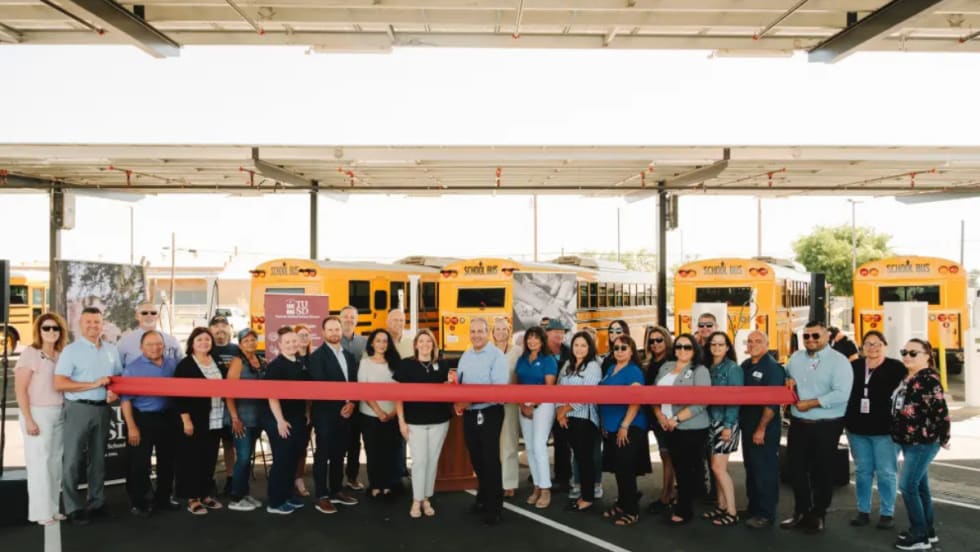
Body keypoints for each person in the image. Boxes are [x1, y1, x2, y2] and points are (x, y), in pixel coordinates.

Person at [781, 320, 854, 535]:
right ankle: (801, 511)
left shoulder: (839, 361)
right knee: (796, 469)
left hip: (827, 425)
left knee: (822, 471)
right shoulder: (795, 358)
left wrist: (811, 403)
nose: (810, 340)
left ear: (827, 336)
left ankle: (818, 514)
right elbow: (786, 376)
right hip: (798, 424)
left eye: (815, 336)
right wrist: (787, 380)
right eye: (806, 336)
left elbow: (842, 394)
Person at [54, 307, 123, 526]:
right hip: (78, 409)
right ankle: (73, 507)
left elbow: (118, 379)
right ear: (80, 324)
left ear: (103, 324)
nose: (93, 326)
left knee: (98, 459)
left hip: (103, 409)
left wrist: (115, 392)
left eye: (97, 322)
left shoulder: (112, 350)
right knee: (73, 460)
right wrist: (92, 384)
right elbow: (60, 383)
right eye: (88, 322)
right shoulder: (71, 351)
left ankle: (97, 502)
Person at [891, 339, 950, 551]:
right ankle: (927, 531)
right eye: (904, 351)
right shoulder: (909, 377)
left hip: (922, 442)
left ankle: (918, 534)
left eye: (913, 353)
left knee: (907, 486)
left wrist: (942, 437)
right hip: (909, 441)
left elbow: (941, 412)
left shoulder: (928, 380)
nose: (907, 356)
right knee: (920, 487)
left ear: (927, 355)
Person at [844, 330, 905, 529]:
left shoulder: (896, 367)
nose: (873, 348)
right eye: (868, 344)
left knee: (887, 472)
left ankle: (887, 513)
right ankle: (863, 511)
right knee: (863, 472)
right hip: (857, 430)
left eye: (877, 343)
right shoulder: (853, 367)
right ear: (862, 347)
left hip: (885, 431)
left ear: (885, 345)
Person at [453, 317, 509, 526]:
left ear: (488, 333)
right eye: (473, 331)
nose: (476, 335)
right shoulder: (466, 355)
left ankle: (495, 507)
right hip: (469, 413)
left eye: (480, 331)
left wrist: (468, 400)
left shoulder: (497, 356)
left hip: (490, 412)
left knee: (490, 459)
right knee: (476, 458)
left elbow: (498, 390)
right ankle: (483, 498)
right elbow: (459, 383)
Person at [652, 333, 711, 526]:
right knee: (678, 466)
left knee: (687, 470)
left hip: (690, 427)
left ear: (694, 350)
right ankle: (679, 501)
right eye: (679, 346)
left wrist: (676, 419)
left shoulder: (700, 370)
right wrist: (661, 416)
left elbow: (702, 401)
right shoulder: (666, 367)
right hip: (667, 426)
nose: (682, 350)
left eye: (687, 347)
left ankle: (685, 510)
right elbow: (653, 394)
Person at [15, 313, 68, 525]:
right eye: (46, 328)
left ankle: (53, 508)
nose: (51, 332)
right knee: (39, 464)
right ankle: (39, 513)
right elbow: (20, 389)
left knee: (55, 463)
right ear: (39, 330)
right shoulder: (31, 353)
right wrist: (29, 419)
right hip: (37, 413)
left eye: (55, 328)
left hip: (59, 412)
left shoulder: (60, 353)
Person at [394, 329, 452, 518]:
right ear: (416, 344)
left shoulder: (443, 365)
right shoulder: (406, 365)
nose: (425, 345)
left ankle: (427, 497)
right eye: (422, 341)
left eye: (429, 341)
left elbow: (450, 390)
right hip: (414, 421)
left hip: (439, 421)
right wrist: (401, 422)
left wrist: (451, 384)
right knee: (419, 461)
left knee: (432, 461)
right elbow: (398, 396)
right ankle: (416, 500)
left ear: (433, 345)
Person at [120, 331, 179, 517]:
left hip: (167, 418)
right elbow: (125, 400)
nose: (155, 348)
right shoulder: (132, 369)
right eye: (150, 344)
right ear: (141, 347)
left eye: (159, 344)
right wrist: (131, 426)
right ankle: (139, 502)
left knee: (167, 461)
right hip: (142, 419)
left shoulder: (172, 364)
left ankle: (163, 498)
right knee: (140, 463)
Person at [307, 316, 360, 515]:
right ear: (323, 333)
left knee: (339, 454)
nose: (334, 333)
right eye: (330, 330)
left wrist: (352, 403)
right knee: (323, 455)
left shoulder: (348, 355)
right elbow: (322, 386)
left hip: (347, 413)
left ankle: (337, 490)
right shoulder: (317, 357)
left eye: (337, 329)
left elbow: (354, 382)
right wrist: (343, 405)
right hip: (325, 415)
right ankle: (321, 496)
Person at [599, 335, 650, 527]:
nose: (619, 351)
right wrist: (605, 422)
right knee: (618, 469)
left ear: (631, 351)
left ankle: (631, 511)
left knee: (626, 470)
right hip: (611, 427)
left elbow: (635, 400)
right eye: (616, 348)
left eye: (624, 348)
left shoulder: (633, 371)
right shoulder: (611, 369)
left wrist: (624, 425)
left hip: (629, 428)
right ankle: (622, 503)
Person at [173, 327, 226, 515]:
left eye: (207, 339)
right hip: (194, 420)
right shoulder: (185, 365)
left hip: (216, 419)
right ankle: (192, 498)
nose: (204, 342)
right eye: (199, 340)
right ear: (192, 343)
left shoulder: (217, 361)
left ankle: (205, 495)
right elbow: (179, 396)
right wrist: (186, 421)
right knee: (191, 460)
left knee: (209, 459)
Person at [739, 331, 786, 530]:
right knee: (751, 468)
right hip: (747, 426)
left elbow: (772, 404)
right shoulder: (746, 366)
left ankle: (766, 514)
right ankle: (754, 508)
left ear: (767, 344)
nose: (753, 344)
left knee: (765, 470)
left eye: (758, 341)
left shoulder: (773, 368)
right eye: (750, 341)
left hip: (764, 429)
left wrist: (761, 429)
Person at [263, 326, 311, 515]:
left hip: (298, 418)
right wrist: (280, 421)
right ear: (280, 345)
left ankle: (288, 495)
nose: (292, 344)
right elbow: (272, 396)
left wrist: (307, 411)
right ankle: (275, 502)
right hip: (281, 420)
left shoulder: (300, 362)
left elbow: (306, 391)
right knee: (282, 460)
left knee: (292, 459)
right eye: (288, 342)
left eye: (294, 341)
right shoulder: (276, 366)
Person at [555, 331, 602, 513]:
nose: (579, 349)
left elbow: (587, 393)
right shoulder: (568, 364)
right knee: (578, 457)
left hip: (585, 419)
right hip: (567, 419)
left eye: (583, 345)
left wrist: (565, 409)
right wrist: (560, 411)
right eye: (576, 345)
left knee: (585, 459)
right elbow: (559, 388)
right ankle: (582, 492)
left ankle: (588, 497)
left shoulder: (593, 366)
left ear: (589, 347)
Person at [515, 326, 558, 508]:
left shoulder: (548, 360)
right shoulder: (522, 359)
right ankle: (537, 486)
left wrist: (533, 405)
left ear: (542, 340)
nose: (532, 341)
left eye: (535, 338)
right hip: (524, 406)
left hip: (543, 406)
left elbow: (549, 387)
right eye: (529, 338)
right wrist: (522, 405)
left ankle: (546, 489)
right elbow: (517, 382)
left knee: (540, 445)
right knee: (530, 448)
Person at [226, 329, 268, 512]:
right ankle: (236, 497)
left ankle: (245, 493)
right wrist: (235, 417)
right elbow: (229, 392)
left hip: (257, 418)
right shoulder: (237, 362)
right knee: (242, 458)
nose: (250, 343)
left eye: (253, 340)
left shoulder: (260, 360)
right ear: (240, 343)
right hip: (241, 418)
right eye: (246, 340)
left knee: (248, 457)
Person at [704, 331, 743, 526]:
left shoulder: (732, 369)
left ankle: (732, 511)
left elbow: (735, 400)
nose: (716, 348)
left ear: (728, 347)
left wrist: (728, 426)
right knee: (717, 468)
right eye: (713, 344)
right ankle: (720, 506)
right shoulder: (708, 367)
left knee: (718, 468)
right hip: (711, 422)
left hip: (725, 423)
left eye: (721, 344)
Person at [358, 329, 402, 498]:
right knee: (373, 451)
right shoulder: (365, 363)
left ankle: (388, 486)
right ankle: (375, 486)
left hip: (392, 414)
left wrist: (391, 413)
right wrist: (378, 411)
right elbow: (363, 390)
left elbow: (400, 388)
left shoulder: (396, 363)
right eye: (378, 341)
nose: (382, 344)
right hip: (370, 415)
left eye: (385, 341)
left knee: (390, 451)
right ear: (372, 343)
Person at [643, 325, 675, 515]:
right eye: (651, 341)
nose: (655, 344)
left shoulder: (671, 363)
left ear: (666, 340)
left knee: (668, 456)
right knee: (665, 455)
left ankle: (667, 496)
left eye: (658, 340)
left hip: (667, 416)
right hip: (653, 417)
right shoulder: (649, 363)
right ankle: (667, 493)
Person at [208, 315, 241, 496]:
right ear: (210, 330)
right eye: (216, 326)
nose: (220, 329)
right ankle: (210, 478)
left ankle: (230, 478)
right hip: (211, 406)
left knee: (230, 445)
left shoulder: (237, 350)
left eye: (224, 325)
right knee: (211, 444)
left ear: (230, 329)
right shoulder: (205, 348)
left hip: (231, 407)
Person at [491, 316, 522, 499]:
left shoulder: (517, 351)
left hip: (510, 404)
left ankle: (509, 483)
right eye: (498, 329)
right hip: (490, 404)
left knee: (509, 443)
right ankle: (493, 481)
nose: (501, 332)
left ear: (509, 331)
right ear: (493, 333)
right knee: (491, 445)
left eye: (504, 329)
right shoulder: (488, 351)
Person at [339, 305, 367, 491]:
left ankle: (352, 477)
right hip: (337, 400)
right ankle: (334, 480)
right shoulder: (333, 341)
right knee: (337, 441)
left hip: (359, 399)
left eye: (352, 317)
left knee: (355, 442)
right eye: (345, 317)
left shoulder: (365, 343)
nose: (349, 320)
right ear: (340, 319)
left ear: (357, 320)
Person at [543, 318, 573, 494]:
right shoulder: (541, 352)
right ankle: (539, 475)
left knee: (563, 442)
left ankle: (563, 478)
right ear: (547, 333)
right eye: (556, 331)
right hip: (543, 403)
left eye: (562, 332)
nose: (559, 335)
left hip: (562, 404)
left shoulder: (568, 352)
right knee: (540, 441)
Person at [117, 301, 182, 366]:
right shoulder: (124, 341)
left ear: (158, 316)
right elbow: (118, 368)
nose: (149, 315)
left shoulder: (172, 341)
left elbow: (181, 366)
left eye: (153, 313)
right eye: (144, 313)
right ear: (137, 316)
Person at [292, 323, 314, 498]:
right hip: (292, 411)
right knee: (291, 446)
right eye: (301, 335)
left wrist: (308, 411)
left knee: (303, 446)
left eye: (307, 335)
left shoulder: (315, 358)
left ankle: (298, 478)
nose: (304, 338)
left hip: (311, 410)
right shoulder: (291, 358)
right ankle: (289, 478)